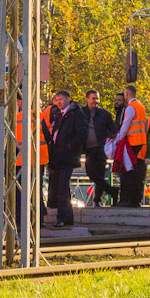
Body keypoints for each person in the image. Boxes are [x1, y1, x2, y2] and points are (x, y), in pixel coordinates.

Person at [47, 90, 87, 228]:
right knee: (60, 187)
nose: (58, 102)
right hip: (58, 155)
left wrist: (70, 146)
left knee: (62, 187)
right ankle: (68, 216)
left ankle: (61, 217)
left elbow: (82, 133)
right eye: (56, 99)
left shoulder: (76, 114)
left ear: (68, 99)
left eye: (61, 99)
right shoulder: (59, 115)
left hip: (67, 156)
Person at [107, 85, 149, 207]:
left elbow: (125, 126)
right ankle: (135, 198)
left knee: (127, 171)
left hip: (131, 141)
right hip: (140, 141)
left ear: (126, 94)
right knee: (134, 171)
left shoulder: (130, 108)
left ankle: (127, 199)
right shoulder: (141, 106)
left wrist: (117, 140)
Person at [83, 90, 117, 206]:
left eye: (97, 99)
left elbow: (113, 128)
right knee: (91, 173)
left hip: (101, 148)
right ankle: (112, 191)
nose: (95, 101)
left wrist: (109, 139)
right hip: (88, 148)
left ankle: (97, 200)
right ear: (87, 99)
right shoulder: (82, 113)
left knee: (100, 174)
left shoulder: (104, 114)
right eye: (93, 98)